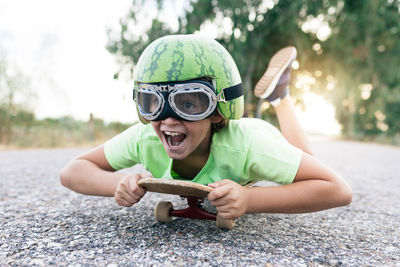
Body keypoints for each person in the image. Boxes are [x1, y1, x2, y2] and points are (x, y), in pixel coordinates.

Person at [60, 34, 352, 220]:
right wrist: (118, 185)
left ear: (216, 111)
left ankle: (280, 97)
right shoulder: (145, 137)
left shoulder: (247, 145)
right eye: (153, 103)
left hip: (259, 136)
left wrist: (249, 199)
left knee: (305, 159)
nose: (169, 118)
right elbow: (72, 171)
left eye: (190, 103)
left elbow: (337, 189)